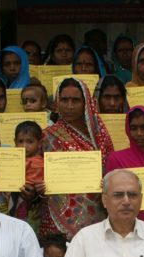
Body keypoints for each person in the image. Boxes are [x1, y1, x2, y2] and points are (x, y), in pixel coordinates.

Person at [41, 78, 113, 237]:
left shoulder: (100, 138)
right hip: (57, 219)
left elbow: (111, 172)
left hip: (97, 215)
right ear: (57, 102)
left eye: (75, 100)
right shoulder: (47, 137)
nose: (69, 106)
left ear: (86, 103)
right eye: (64, 100)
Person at [12, 121, 46, 233]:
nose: (24, 146)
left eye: (30, 142)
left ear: (39, 143)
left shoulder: (40, 163)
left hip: (32, 206)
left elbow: (35, 185)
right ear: (15, 142)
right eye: (20, 141)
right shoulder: (11, 160)